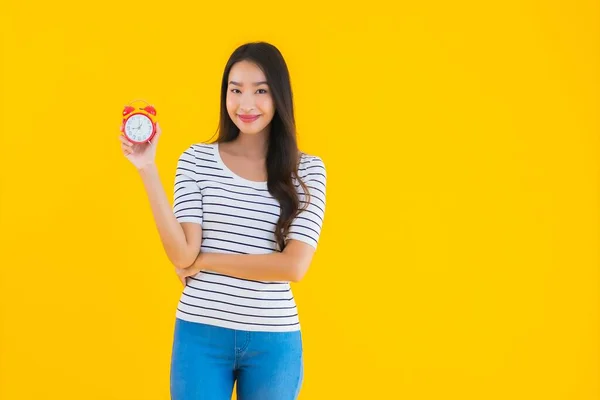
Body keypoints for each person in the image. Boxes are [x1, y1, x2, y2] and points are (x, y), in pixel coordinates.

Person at [118, 41, 327, 400]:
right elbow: (183, 255)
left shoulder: (307, 170)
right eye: (236, 90)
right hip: (201, 332)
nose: (246, 104)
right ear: (225, 95)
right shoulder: (196, 160)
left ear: (279, 95)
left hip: (274, 341)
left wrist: (208, 262)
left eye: (260, 90)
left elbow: (293, 266)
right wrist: (147, 167)